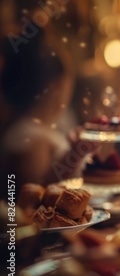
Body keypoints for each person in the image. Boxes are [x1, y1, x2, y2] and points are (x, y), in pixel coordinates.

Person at [0, 14, 99, 194]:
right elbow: (36, 196)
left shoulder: (35, 130)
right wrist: (74, 155)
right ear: (56, 87)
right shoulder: (28, 135)